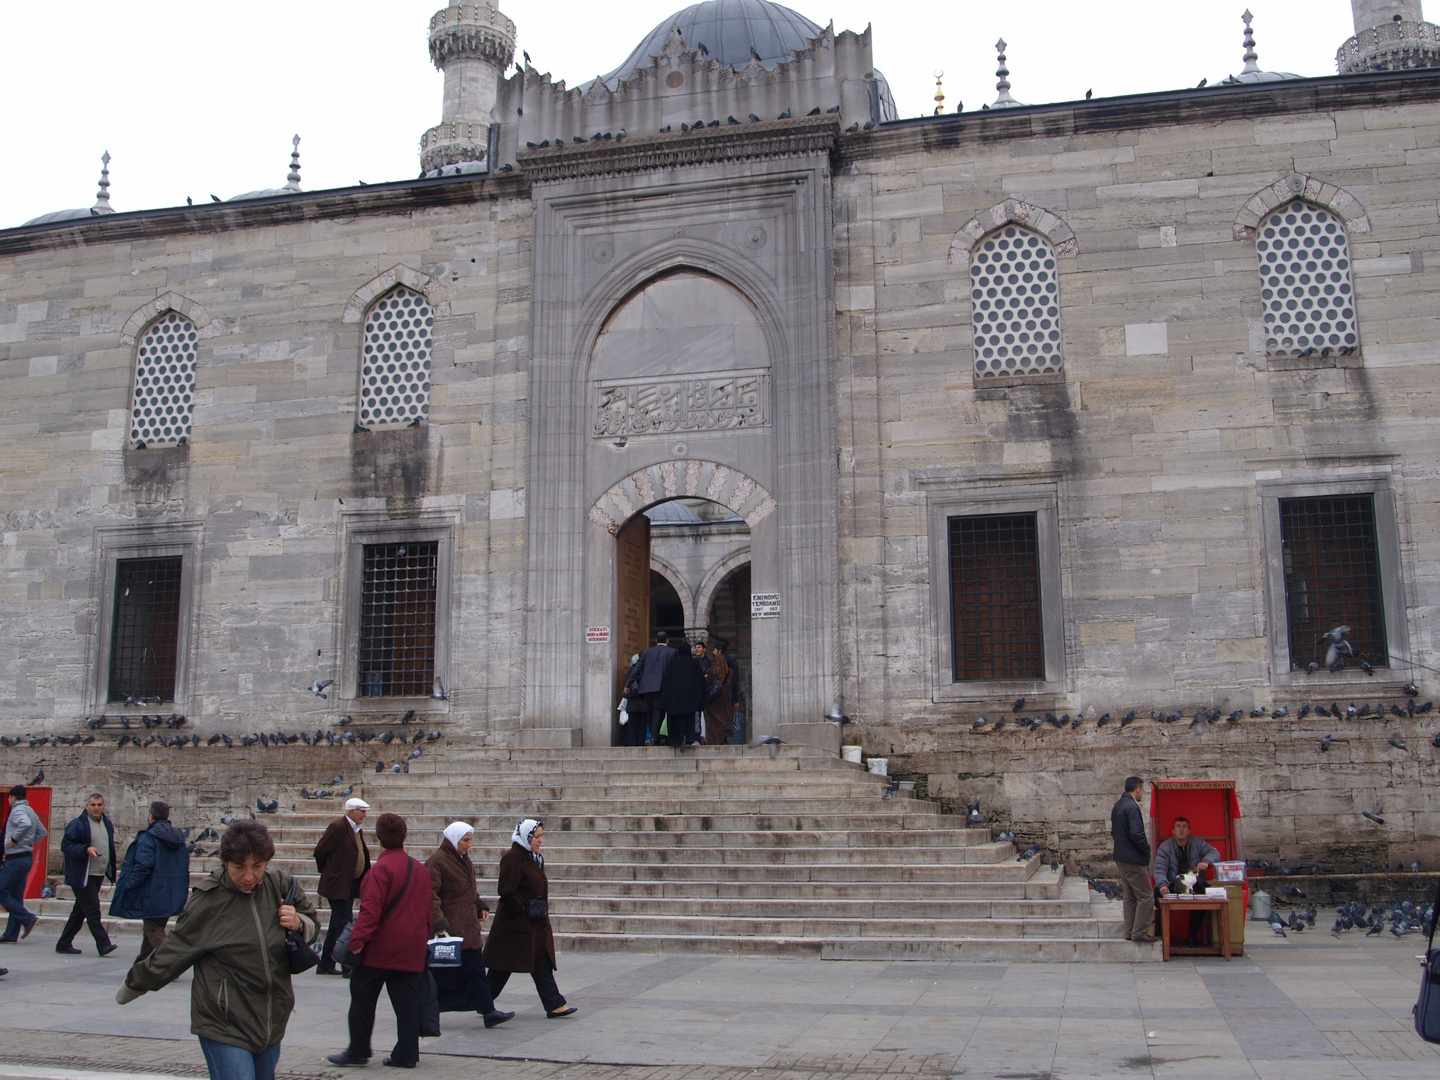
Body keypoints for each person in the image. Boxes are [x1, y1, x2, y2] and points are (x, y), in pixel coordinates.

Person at [116, 820, 320, 1080]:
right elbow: (174, 951)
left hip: (271, 1018)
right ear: (226, 863)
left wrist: (299, 923)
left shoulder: (279, 884)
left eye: (257, 867)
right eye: (239, 868)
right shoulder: (208, 901)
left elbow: (313, 921)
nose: (248, 876)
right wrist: (134, 984)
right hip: (224, 1020)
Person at [328, 813, 432, 1069]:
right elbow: (427, 909)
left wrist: (356, 942)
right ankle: (407, 1053)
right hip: (411, 947)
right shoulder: (419, 869)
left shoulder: (379, 871)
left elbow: (370, 912)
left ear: (379, 839)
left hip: (381, 949)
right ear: (404, 836)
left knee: (363, 998)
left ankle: (359, 1050)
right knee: (407, 1004)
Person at [425, 822, 514, 1028]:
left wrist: (479, 905)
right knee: (443, 976)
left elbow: (469, 890)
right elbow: (429, 895)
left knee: (476, 971)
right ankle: (428, 1008)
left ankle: (488, 1010)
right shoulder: (437, 862)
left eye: (470, 840)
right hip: (452, 929)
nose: (468, 845)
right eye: (465, 840)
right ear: (454, 839)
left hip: (468, 928)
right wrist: (438, 923)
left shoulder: (464, 860)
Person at [483, 820, 575, 1018]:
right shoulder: (513, 858)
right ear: (525, 836)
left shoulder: (533, 858)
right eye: (536, 836)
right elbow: (506, 892)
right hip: (515, 927)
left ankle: (554, 1004)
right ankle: (482, 1001)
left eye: (541, 836)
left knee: (541, 963)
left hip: (533, 925)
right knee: (501, 967)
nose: (540, 840)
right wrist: (524, 910)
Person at [109, 800, 190, 962]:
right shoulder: (178, 838)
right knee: (154, 926)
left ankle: (172, 961)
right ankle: (142, 962)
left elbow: (143, 865)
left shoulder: (149, 837)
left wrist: (130, 885)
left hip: (153, 892)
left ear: (151, 817)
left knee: (153, 928)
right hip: (171, 891)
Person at [312, 797, 372, 976]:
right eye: (362, 811)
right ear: (351, 811)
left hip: (350, 884)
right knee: (343, 924)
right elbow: (320, 851)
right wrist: (330, 872)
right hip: (337, 885)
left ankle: (325, 964)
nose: (365, 814)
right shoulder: (338, 827)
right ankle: (348, 966)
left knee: (335, 925)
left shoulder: (356, 829)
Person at [56, 792, 118, 956]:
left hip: (98, 873)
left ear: (103, 806)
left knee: (80, 910)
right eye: (93, 805)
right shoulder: (77, 825)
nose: (96, 808)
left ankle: (63, 942)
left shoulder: (107, 823)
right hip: (82, 875)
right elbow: (66, 846)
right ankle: (103, 944)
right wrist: (85, 850)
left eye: (99, 805)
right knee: (92, 910)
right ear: (86, 806)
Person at [1154, 816, 1224, 948]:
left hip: (1193, 884)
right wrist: (1162, 884)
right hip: (1173, 883)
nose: (1181, 830)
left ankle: (1192, 934)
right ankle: (1161, 934)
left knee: (1202, 898)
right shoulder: (1165, 847)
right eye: (1178, 827)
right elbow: (1159, 869)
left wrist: (1206, 862)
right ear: (1173, 831)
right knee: (1158, 892)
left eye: (1184, 827)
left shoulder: (1197, 843)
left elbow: (1215, 853)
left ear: (1189, 831)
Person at [1110, 776, 1158, 944]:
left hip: (1121, 856)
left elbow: (1114, 832)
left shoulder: (1118, 805)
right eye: (1142, 790)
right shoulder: (1131, 806)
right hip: (1133, 858)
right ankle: (1139, 932)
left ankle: (1129, 931)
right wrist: (1146, 849)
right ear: (1137, 789)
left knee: (1130, 896)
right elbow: (1137, 834)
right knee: (1146, 895)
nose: (1142, 793)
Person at [0, 784, 46, 942]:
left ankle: (28, 918)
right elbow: (42, 832)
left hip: (16, 859)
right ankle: (11, 934)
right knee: (16, 895)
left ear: (12, 798)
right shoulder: (30, 810)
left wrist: (14, 840)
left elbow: (24, 824)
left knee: (1, 893)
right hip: (26, 857)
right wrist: (27, 842)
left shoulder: (17, 810)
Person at [659, 638, 706, 748]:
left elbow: (666, 681)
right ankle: (688, 738)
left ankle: (675, 740)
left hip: (673, 700)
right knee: (688, 720)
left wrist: (664, 699)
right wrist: (701, 699)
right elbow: (700, 682)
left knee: (674, 721)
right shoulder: (694, 663)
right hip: (689, 700)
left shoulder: (673, 663)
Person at [630, 631, 675, 745]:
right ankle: (656, 737)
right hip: (663, 687)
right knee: (659, 712)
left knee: (651, 712)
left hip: (647, 689)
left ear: (655, 641)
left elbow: (637, 668)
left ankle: (655, 736)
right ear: (667, 641)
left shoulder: (646, 652)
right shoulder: (672, 652)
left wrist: (628, 683)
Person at [703, 644, 733, 745]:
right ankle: (725, 738)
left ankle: (715, 742)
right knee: (724, 721)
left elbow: (705, 683)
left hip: (713, 701)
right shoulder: (729, 672)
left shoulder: (711, 671)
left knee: (714, 724)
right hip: (724, 700)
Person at [618, 653, 648, 747]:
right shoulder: (647, 670)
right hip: (644, 703)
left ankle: (632, 746)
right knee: (642, 726)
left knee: (632, 727)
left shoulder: (632, 670)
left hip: (632, 703)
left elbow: (625, 682)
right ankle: (640, 745)